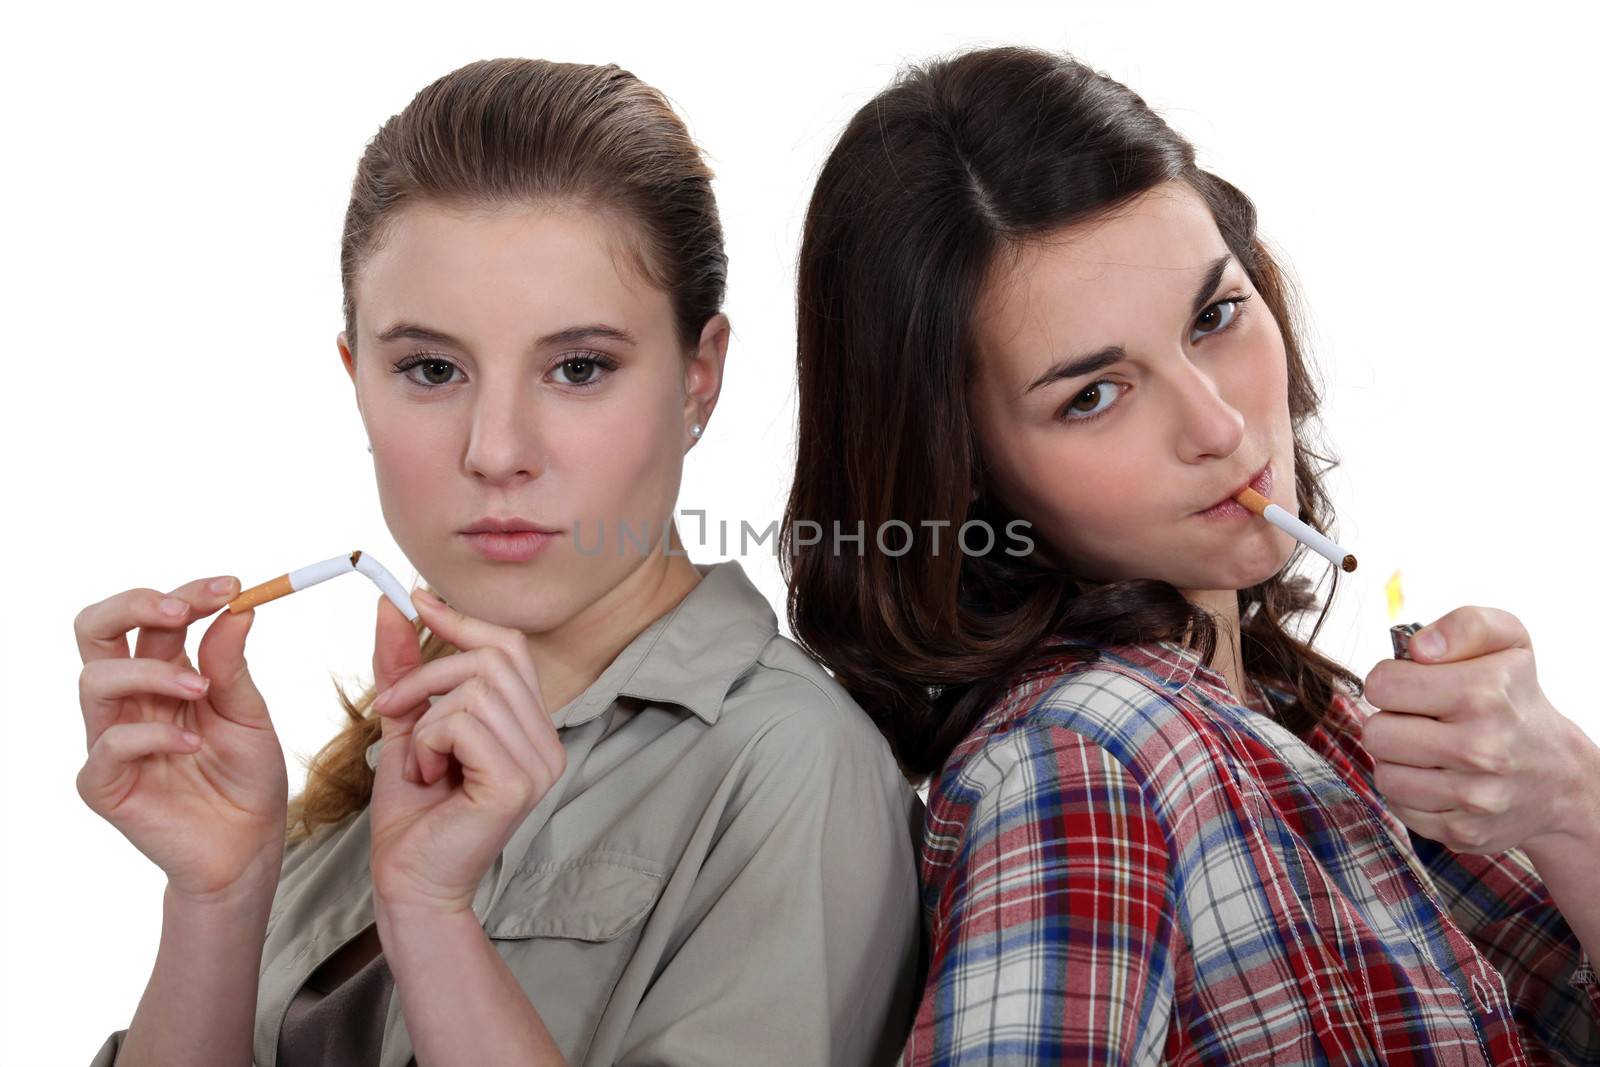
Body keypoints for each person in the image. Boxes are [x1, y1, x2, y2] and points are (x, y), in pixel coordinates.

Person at [77, 57, 921, 1067]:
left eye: (578, 368)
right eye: (430, 369)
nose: (495, 449)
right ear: (357, 379)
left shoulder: (787, 764)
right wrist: (219, 894)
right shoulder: (380, 771)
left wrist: (433, 916)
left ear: (699, 379)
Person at [781, 44, 1599, 1065]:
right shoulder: (1085, 758)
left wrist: (1568, 798)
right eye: (1093, 393)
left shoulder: (1314, 717)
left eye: (1213, 316)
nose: (1216, 424)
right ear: (965, 468)